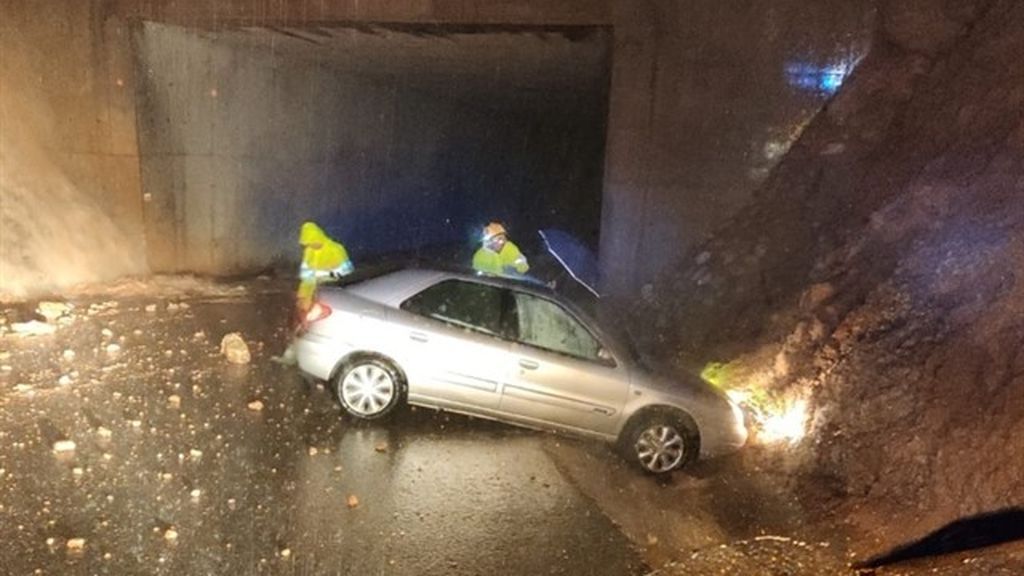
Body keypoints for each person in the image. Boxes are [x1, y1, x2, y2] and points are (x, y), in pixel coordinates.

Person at [296, 221, 353, 314]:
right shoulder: (309, 252)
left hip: (337, 291)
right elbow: (306, 277)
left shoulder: (335, 249)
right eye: (308, 243)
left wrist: (325, 274)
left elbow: (348, 269)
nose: (311, 245)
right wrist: (302, 298)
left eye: (312, 242)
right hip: (315, 296)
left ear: (318, 237)